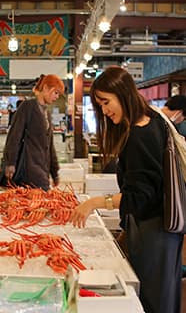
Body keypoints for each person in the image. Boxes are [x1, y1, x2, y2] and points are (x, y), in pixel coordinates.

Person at [69, 66, 183, 313]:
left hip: (155, 230)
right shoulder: (152, 120)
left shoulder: (140, 134)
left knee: (154, 301)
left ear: (123, 94)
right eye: (99, 105)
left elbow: (140, 197)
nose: (104, 110)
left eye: (106, 102)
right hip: (159, 228)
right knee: (162, 295)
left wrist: (94, 203)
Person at [1, 74, 65, 191]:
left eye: (59, 94)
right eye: (55, 92)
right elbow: (14, 135)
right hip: (28, 169)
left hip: (42, 168)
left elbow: (50, 145)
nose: (57, 97)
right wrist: (10, 163)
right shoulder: (27, 107)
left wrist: (54, 171)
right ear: (45, 88)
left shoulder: (47, 113)